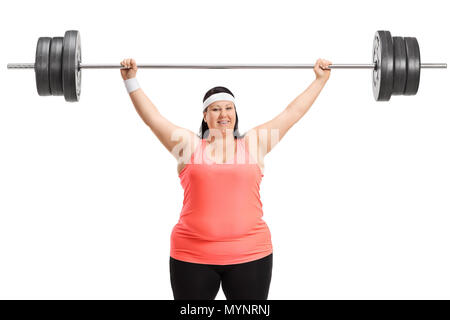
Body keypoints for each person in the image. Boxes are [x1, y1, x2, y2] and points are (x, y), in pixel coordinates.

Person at [120, 58, 331, 300]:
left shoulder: (254, 143)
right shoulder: (187, 145)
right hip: (192, 255)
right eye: (216, 109)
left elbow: (292, 113)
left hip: (250, 253)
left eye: (229, 108)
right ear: (205, 115)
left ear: (235, 113)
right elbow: (153, 119)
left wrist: (320, 80)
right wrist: (131, 81)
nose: (224, 114)